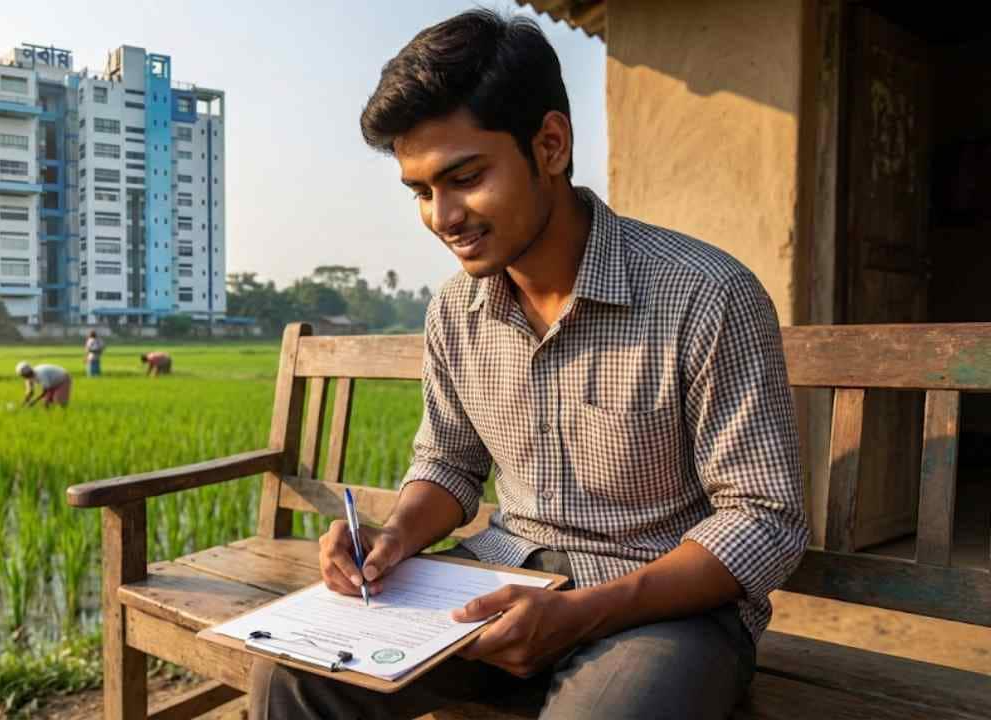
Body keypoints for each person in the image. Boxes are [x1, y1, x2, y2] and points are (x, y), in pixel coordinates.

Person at [249, 10, 808, 720]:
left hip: (665, 607)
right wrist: (392, 537)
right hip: (502, 577)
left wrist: (582, 613)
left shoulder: (706, 294)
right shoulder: (456, 310)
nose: (443, 216)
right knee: (291, 676)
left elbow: (764, 518)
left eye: (464, 177)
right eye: (421, 191)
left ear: (550, 145)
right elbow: (448, 464)